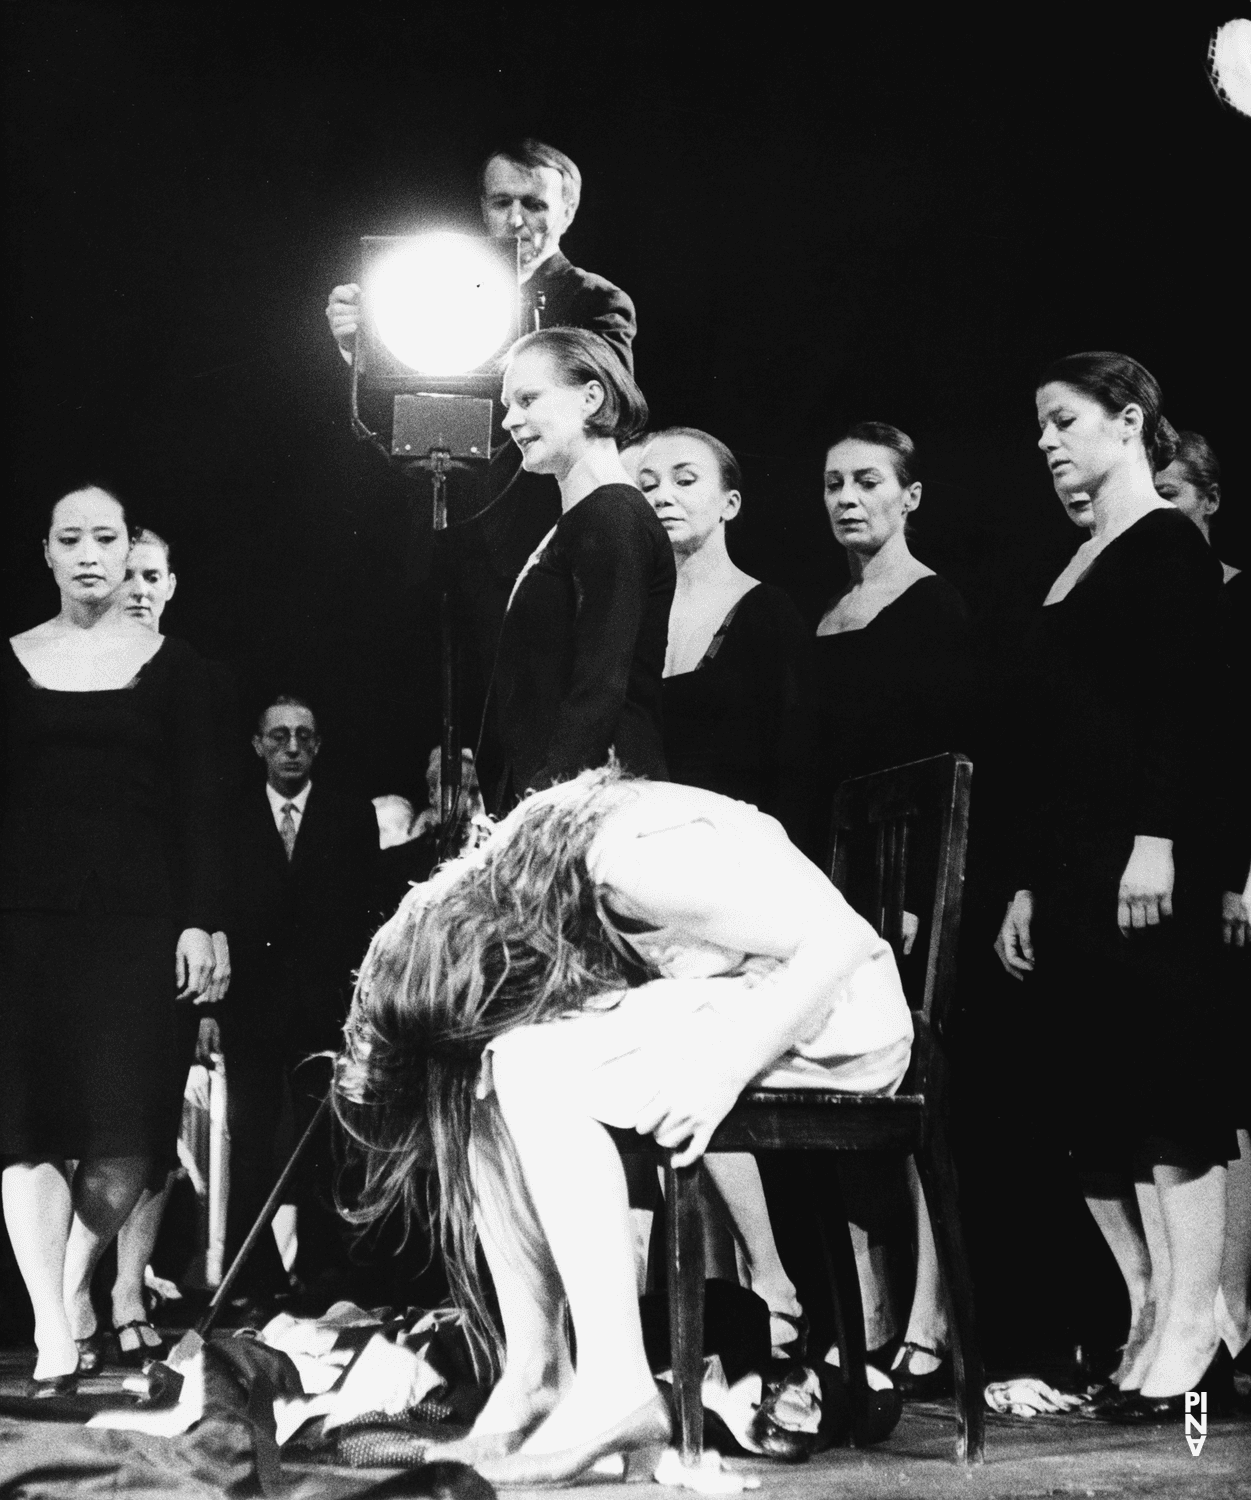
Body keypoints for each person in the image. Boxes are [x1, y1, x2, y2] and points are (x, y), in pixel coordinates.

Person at [334, 765, 914, 1486]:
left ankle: (616, 1387)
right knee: (493, 1067)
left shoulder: (631, 859)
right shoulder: (550, 864)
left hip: (842, 1021)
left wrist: (726, 1069)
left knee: (527, 1060)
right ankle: (537, 1371)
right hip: (751, 998)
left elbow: (840, 940)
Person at [994, 351, 1234, 1421]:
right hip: (1073, 862)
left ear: (1127, 421)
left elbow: (1181, 709)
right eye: (1039, 425)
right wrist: (1030, 885)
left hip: (1140, 856)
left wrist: (1156, 836)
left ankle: (1198, 1328)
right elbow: (1048, 745)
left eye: (1063, 420)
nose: (1046, 440)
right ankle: (1156, 1323)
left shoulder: (1166, 543)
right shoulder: (1078, 560)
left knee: (1169, 1095)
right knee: (1112, 1101)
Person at [0, 486, 224, 1393]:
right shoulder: (9, 664)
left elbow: (202, 810)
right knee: (25, 1131)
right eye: (70, 539)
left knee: (128, 1136)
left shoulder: (179, 669)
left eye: (106, 537)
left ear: (129, 548)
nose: (89, 554)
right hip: (21, 926)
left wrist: (205, 921)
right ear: (47, 554)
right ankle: (55, 1328)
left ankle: (71, 1283)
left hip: (138, 928)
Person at [326, 141, 638, 721]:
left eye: (535, 204)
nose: (517, 221)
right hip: (450, 532)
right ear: (482, 209)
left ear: (567, 210)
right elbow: (408, 412)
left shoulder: (596, 301)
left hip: (539, 537)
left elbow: (606, 408)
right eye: (501, 203)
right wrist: (361, 352)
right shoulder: (441, 290)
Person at [635, 426, 812, 1354]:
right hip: (659, 901)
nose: (663, 492)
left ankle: (772, 1282)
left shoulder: (766, 614)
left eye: (684, 477)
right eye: (646, 479)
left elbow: (792, 775)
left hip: (750, 894)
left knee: (689, 1025)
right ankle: (702, 1306)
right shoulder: (629, 621)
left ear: (728, 500)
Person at [813, 421, 974, 1395]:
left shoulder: (932, 608)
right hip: (835, 888)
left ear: (909, 495)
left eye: (868, 480)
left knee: (910, 1091)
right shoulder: (825, 616)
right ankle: (873, 1313)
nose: (847, 497)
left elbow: (946, 758)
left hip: (904, 889)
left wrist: (913, 902)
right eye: (833, 482)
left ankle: (930, 1318)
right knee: (843, 1093)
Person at [101, 529, 234, 1366]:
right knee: (77, 1125)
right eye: (130, 573)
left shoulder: (194, 678)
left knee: (147, 1123)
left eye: (154, 575)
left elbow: (211, 821)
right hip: (77, 924)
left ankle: (126, 1287)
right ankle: (72, 1293)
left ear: (173, 584)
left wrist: (208, 927)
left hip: (163, 927)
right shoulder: (68, 676)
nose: (140, 587)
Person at [219, 693, 379, 1307]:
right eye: (279, 735)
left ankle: (324, 1274)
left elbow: (371, 919)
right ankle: (251, 1280)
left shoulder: (349, 815)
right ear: (258, 744)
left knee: (330, 1144)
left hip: (328, 1013)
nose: (292, 746)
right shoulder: (230, 816)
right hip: (251, 1011)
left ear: (318, 746)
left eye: (304, 737)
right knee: (253, 1140)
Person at [483, 327, 674, 811]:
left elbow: (600, 684)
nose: (510, 420)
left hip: (592, 807)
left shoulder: (612, 515)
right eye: (509, 404)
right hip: (569, 798)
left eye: (527, 399)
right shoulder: (587, 519)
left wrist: (542, 810)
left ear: (592, 397)